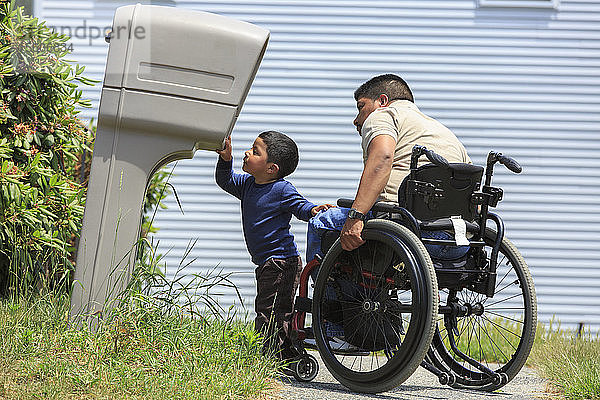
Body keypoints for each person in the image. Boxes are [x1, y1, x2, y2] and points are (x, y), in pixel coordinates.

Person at [306, 73, 471, 263]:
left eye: (361, 107)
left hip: (405, 229)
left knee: (322, 222)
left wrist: (355, 216)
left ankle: (326, 293)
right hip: (457, 241)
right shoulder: (444, 132)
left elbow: (382, 158)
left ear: (382, 101)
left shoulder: (383, 115)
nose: (356, 120)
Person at [215, 131, 331, 363]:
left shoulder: (281, 189)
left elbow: (300, 206)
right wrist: (225, 160)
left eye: (256, 151)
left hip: (281, 262)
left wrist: (313, 210)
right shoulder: (248, 184)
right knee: (269, 309)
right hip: (267, 262)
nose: (247, 152)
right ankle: (280, 355)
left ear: (271, 168)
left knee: (273, 311)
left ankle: (276, 357)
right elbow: (225, 180)